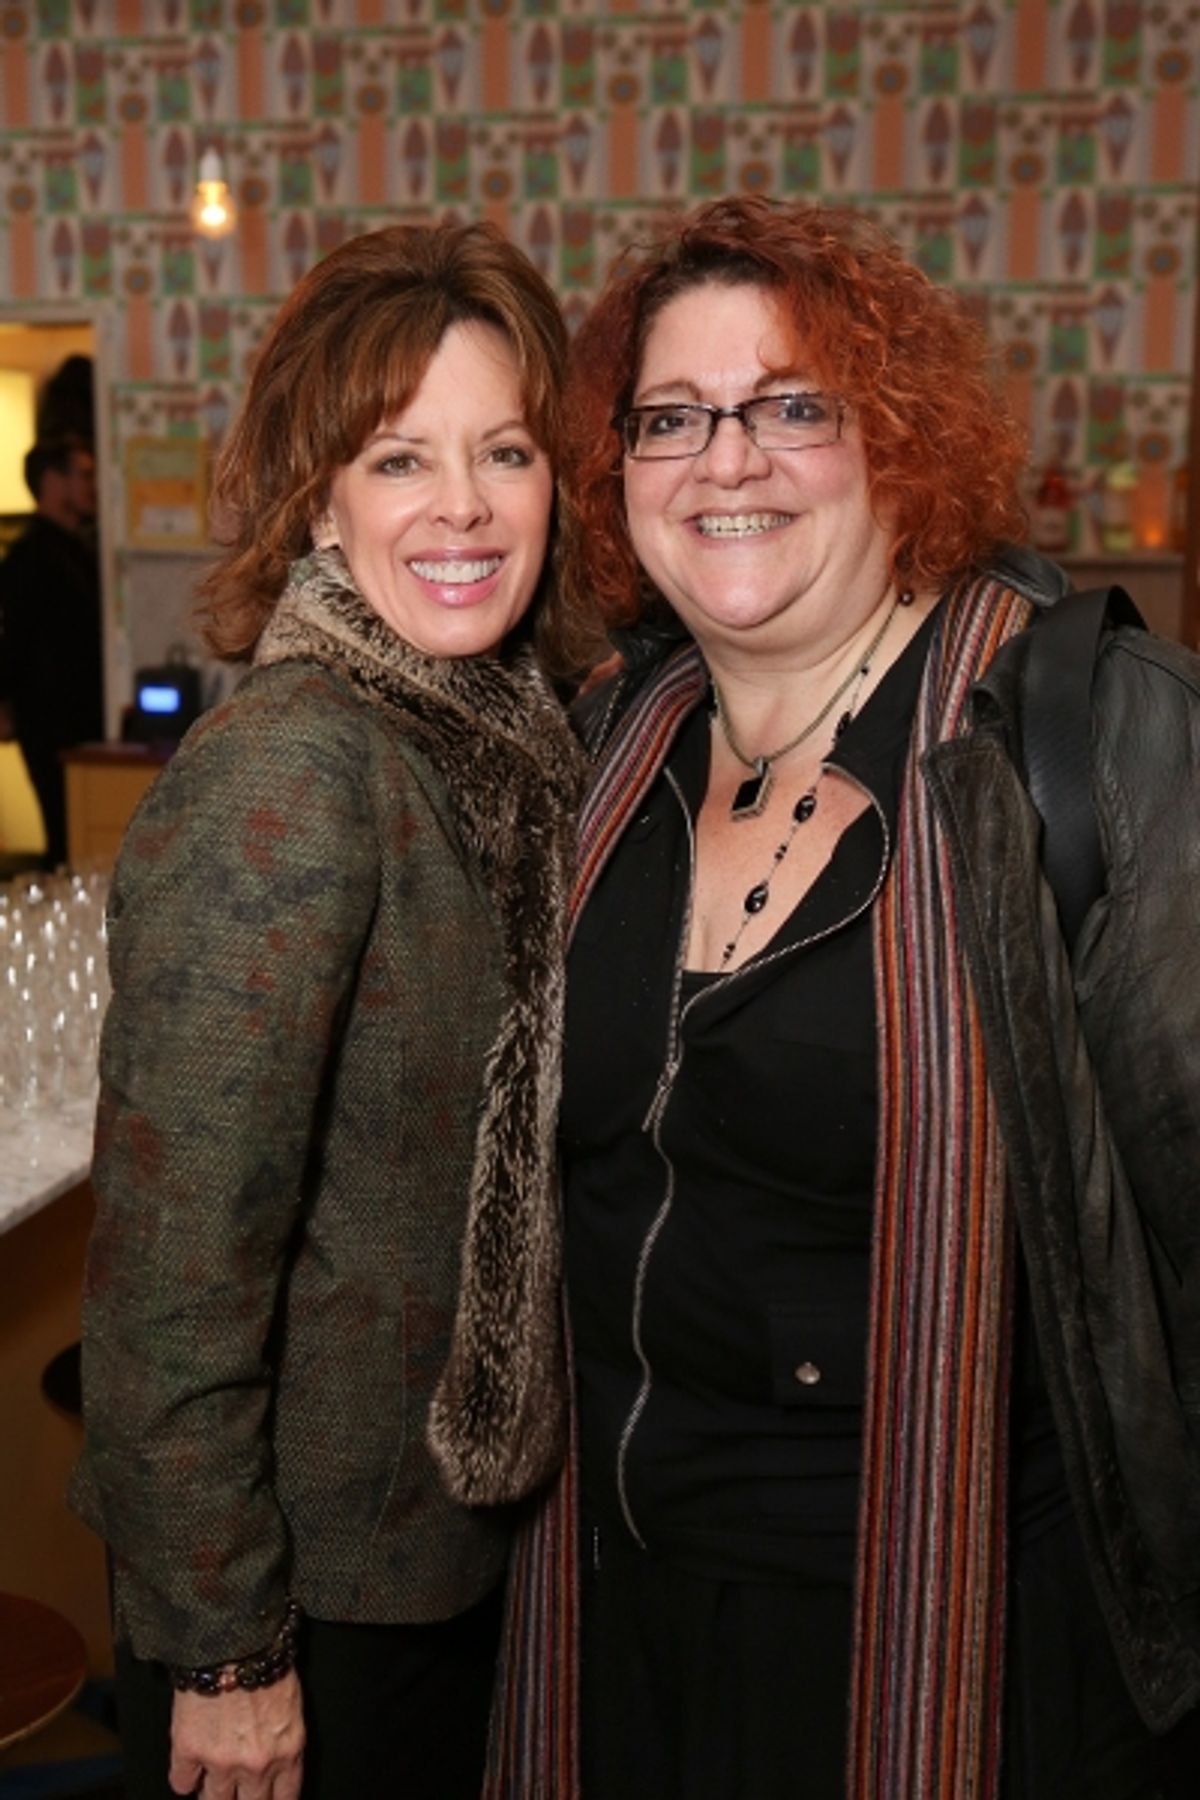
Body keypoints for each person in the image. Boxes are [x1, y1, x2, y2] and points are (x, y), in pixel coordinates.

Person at [486, 196, 1200, 1799]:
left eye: (792, 407)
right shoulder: (603, 750)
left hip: (954, 1640)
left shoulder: (1090, 745)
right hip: (609, 1619)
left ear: (897, 438)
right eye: (672, 418)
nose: (724, 461)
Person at [70, 219, 584, 1800]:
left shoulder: (510, 744)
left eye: (505, 451)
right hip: (311, 1600)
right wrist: (225, 1650)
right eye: (398, 458)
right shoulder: (295, 769)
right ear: (317, 499)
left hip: (450, 1557)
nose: (463, 506)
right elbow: (171, 1274)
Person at [0, 433, 103, 867]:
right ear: (53, 482)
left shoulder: (80, 550)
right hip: (49, 722)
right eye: (83, 475)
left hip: (81, 718)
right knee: (66, 837)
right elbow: (13, 642)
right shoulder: (27, 560)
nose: (93, 486)